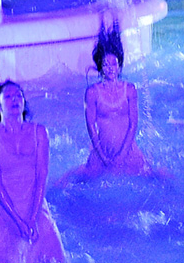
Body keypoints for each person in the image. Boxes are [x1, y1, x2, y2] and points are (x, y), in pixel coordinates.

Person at [0, 81, 63, 263]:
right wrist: (17, 221)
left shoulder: (39, 132)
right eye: (8, 96)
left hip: (36, 206)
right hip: (4, 210)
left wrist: (32, 218)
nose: (15, 99)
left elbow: (42, 176)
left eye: (19, 96)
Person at [63, 22, 153, 181]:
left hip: (129, 149)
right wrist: (103, 157)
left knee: (153, 176)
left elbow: (133, 124)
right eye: (105, 64)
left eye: (114, 64)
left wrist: (122, 155)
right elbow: (91, 127)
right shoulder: (92, 93)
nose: (110, 68)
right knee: (76, 181)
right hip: (101, 151)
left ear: (119, 66)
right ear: (100, 67)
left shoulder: (130, 89)